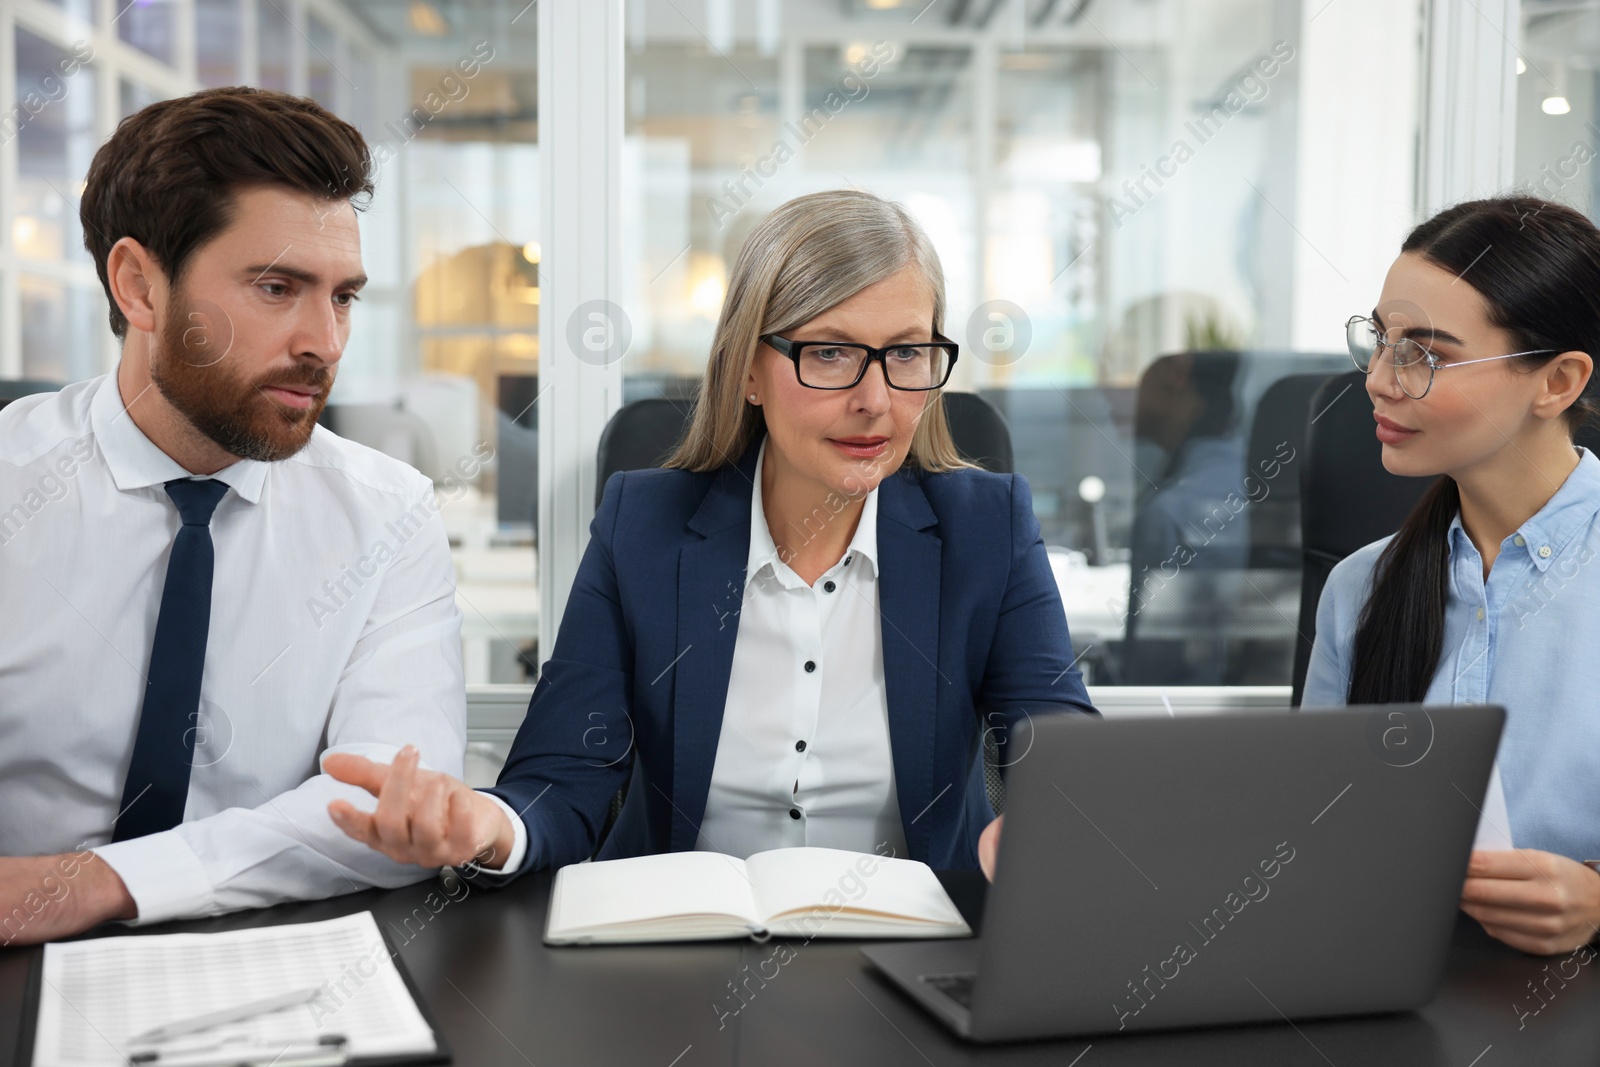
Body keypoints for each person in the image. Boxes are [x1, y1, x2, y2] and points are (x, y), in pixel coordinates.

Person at [325, 190, 1097, 876]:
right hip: (679, 961)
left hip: (916, 957)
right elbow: (561, 775)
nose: (876, 399)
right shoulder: (645, 527)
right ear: (748, 371)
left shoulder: (984, 526)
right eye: (829, 352)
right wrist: (489, 826)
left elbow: (1058, 748)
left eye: (905, 353)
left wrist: (1049, 824)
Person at [0, 87, 468, 944]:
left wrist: (96, 881)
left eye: (343, 297)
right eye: (277, 286)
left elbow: (389, 809)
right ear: (139, 286)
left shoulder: (388, 514)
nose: (323, 340)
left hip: (271, 964)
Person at [1302, 196, 1600, 955]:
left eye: (1425, 354)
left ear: (1558, 381)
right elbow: (1314, 837)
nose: (1378, 379)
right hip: (1390, 990)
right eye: (1380, 340)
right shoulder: (1361, 587)